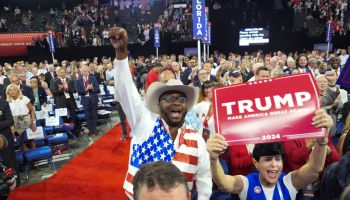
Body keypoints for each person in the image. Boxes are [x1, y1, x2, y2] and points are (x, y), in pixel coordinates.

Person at [110, 27, 211, 199]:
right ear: (158, 102)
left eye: (181, 99)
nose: (176, 103)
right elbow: (126, 89)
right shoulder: (144, 122)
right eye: (169, 98)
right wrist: (120, 51)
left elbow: (204, 179)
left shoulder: (196, 139)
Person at [207, 109, 332, 200]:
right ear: (256, 163)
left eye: (278, 159)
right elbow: (223, 182)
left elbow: (315, 168)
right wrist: (213, 159)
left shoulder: (289, 182)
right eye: (267, 159)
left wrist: (322, 141)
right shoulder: (247, 183)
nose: (274, 165)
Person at [6, 84, 37, 150]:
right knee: (21, 141)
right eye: (10, 90)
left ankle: (35, 154)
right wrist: (12, 127)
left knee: (31, 140)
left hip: (27, 119)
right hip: (15, 121)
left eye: (14, 89)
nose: (13, 91)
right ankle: (25, 153)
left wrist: (33, 122)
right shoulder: (7, 102)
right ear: (8, 92)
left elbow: (32, 111)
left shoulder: (24, 98)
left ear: (18, 90)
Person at [76, 65, 100, 136]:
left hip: (93, 99)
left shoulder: (93, 78)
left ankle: (95, 129)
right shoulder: (78, 80)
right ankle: (90, 130)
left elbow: (98, 89)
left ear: (88, 71)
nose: (85, 72)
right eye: (83, 71)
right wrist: (86, 89)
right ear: (81, 72)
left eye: (86, 71)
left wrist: (92, 88)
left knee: (94, 115)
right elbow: (79, 92)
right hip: (85, 101)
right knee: (87, 116)